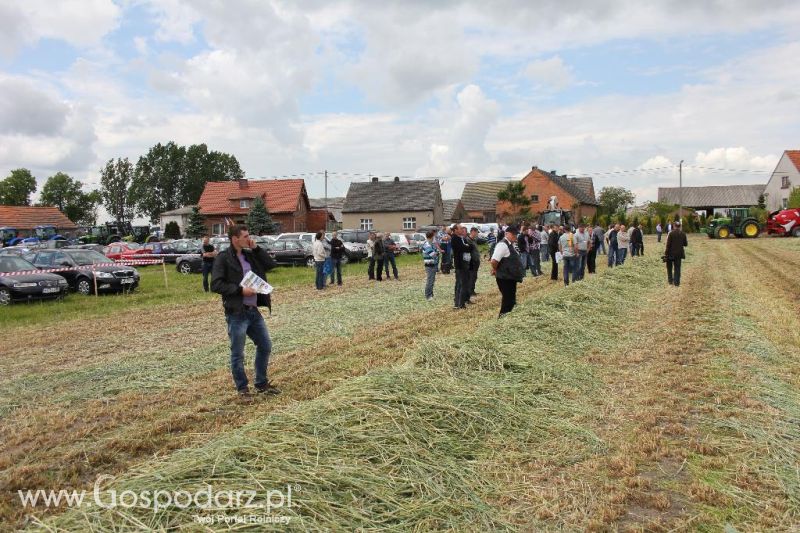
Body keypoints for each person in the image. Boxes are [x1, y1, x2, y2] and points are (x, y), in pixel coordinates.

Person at [211, 224, 279, 397]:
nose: (249, 239)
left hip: (253, 311)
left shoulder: (250, 255)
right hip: (236, 313)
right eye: (246, 236)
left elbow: (270, 264)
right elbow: (216, 284)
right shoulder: (223, 258)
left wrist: (256, 248)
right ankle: (242, 389)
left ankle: (261, 383)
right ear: (235, 239)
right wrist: (240, 290)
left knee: (265, 345)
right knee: (238, 354)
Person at [491, 224, 524, 317]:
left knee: (511, 300)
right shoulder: (502, 245)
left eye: (516, 234)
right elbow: (494, 260)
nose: (515, 236)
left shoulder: (510, 244)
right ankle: (502, 320)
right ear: (507, 234)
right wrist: (494, 269)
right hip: (504, 277)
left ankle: (508, 318)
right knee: (507, 300)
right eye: (513, 234)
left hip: (510, 277)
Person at [450, 224, 472, 309]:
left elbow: (469, 247)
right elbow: (463, 248)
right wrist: (467, 247)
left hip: (465, 263)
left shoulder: (461, 238)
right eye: (460, 229)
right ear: (455, 230)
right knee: (461, 284)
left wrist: (467, 246)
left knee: (463, 283)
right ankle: (459, 303)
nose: (462, 230)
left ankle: (460, 302)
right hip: (460, 264)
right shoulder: (455, 239)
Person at [665, 220, 688, 287]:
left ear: (674, 226)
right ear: (680, 226)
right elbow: (685, 244)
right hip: (679, 254)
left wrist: (666, 253)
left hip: (670, 254)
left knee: (669, 267)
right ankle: (676, 283)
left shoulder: (671, 233)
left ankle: (670, 281)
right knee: (677, 268)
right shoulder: (683, 234)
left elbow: (668, 244)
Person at [421, 230, 439, 300]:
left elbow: (436, 251)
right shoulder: (427, 245)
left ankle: (431, 294)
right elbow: (433, 254)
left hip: (433, 263)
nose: (434, 237)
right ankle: (428, 295)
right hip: (429, 264)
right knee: (430, 280)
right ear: (431, 236)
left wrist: (436, 253)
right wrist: (437, 253)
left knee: (432, 280)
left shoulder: (431, 244)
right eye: (434, 236)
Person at [468, 226, 481, 297]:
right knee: (472, 276)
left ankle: (472, 290)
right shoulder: (468, 240)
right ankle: (470, 291)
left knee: (474, 276)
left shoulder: (474, 240)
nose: (477, 234)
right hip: (472, 261)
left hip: (476, 260)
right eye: (476, 232)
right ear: (472, 232)